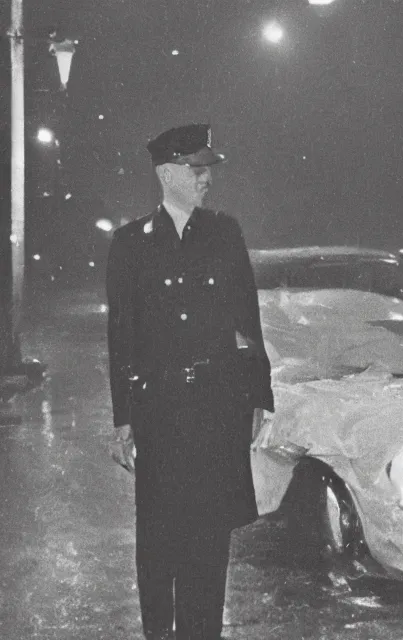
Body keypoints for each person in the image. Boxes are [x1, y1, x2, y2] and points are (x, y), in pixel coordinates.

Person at [106, 124, 273, 640]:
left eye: (208, 171)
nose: (207, 181)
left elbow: (248, 317)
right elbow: (122, 335)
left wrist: (258, 397)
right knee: (159, 539)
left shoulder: (225, 232)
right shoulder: (131, 243)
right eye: (197, 171)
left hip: (216, 407)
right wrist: (124, 419)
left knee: (209, 537)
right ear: (167, 173)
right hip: (160, 411)